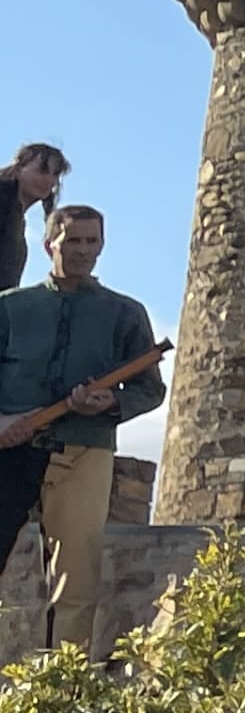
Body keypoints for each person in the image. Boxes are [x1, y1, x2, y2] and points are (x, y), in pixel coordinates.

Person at [0, 206, 166, 659]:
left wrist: (111, 401)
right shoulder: (10, 308)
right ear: (49, 243)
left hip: (84, 450)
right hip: (9, 450)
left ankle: (62, 693)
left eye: (92, 242)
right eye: (74, 241)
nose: (84, 252)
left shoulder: (124, 314)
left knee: (76, 578)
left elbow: (149, 389)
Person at [1, 145, 65, 295]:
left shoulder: (16, 215)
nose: (49, 180)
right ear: (18, 170)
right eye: (42, 171)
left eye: (55, 174)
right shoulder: (3, 200)